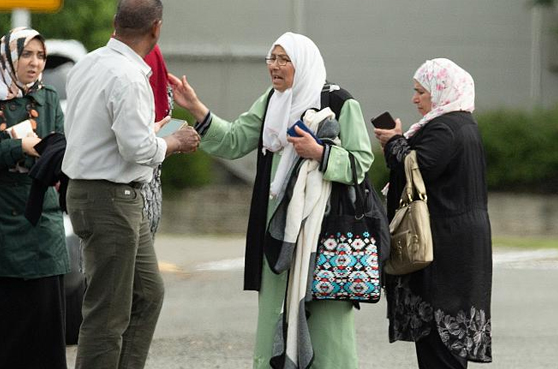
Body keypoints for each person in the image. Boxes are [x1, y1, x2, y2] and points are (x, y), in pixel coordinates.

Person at [169, 32, 374, 368]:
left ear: (303, 63)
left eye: (283, 60)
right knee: (274, 318)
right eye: (271, 58)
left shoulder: (339, 102)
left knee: (326, 324)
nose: (274, 67)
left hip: (324, 235)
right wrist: (195, 107)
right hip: (277, 232)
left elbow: (361, 161)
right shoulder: (271, 101)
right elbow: (235, 140)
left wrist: (321, 153)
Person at [61, 0, 200, 367]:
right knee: (107, 312)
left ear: (115, 23)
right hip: (110, 197)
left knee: (147, 294)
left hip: (101, 192)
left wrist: (152, 133)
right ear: (156, 28)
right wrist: (173, 141)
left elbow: (98, 131)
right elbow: (136, 148)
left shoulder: (89, 63)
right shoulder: (127, 75)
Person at [374, 58, 492, 369]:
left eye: (421, 92)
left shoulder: (446, 128)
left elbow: (417, 169)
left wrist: (394, 142)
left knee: (440, 336)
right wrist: (400, 142)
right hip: (456, 238)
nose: (415, 99)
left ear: (441, 91)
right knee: (442, 338)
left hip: (445, 243)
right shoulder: (461, 124)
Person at [0, 27, 70, 369]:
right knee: (5, 330)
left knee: (46, 329)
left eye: (40, 56)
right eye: (26, 55)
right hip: (3, 222)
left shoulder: (47, 98)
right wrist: (18, 147)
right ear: (8, 57)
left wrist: (54, 157)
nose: (34, 63)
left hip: (42, 222)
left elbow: (59, 143)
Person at [141, 44, 174, 235]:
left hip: (145, 188)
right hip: (130, 193)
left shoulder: (96, 63)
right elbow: (137, 147)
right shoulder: (131, 73)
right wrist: (173, 142)